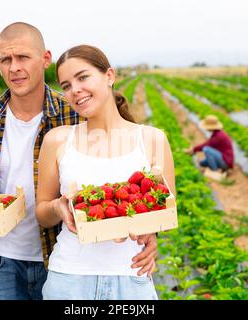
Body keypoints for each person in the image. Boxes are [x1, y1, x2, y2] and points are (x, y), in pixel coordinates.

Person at [0, 23, 158, 300]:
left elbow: (118, 174)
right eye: (6, 60)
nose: (14, 67)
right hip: (0, 255)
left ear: (45, 58)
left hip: (56, 254)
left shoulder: (76, 110)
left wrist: (149, 234)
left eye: (23, 57)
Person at [36, 45, 175, 300]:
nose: (74, 90)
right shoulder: (57, 140)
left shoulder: (152, 139)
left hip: (131, 276)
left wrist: (150, 234)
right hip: (69, 280)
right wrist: (58, 207)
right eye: (66, 85)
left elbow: (165, 211)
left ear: (109, 76)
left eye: (82, 77)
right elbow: (42, 213)